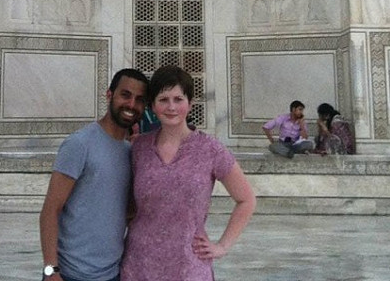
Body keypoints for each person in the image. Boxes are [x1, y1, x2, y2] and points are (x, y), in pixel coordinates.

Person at [121, 67, 255, 281]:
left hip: (189, 266)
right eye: (163, 99)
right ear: (152, 106)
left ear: (190, 103)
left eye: (178, 99)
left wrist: (222, 246)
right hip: (139, 266)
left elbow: (246, 199)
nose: (171, 107)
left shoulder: (210, 149)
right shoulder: (139, 148)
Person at [39, 68, 149, 281]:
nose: (131, 105)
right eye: (125, 95)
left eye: (139, 100)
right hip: (69, 274)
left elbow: (127, 213)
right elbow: (50, 210)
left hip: (111, 274)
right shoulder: (80, 144)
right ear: (110, 95)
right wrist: (51, 271)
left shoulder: (130, 152)